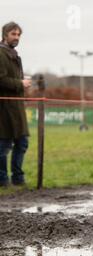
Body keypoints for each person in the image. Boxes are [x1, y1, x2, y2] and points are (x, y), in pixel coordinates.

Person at [0, 22, 31, 187]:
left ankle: (18, 178)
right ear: (5, 35)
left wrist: (22, 85)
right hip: (4, 108)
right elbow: (1, 79)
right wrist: (21, 83)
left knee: (22, 142)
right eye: (13, 34)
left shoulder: (13, 54)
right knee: (3, 145)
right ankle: (2, 180)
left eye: (18, 35)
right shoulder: (0, 53)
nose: (16, 37)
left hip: (16, 106)